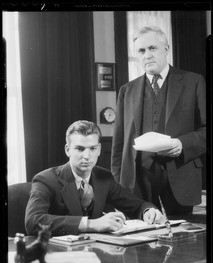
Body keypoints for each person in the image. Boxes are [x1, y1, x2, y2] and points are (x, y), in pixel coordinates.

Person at [111, 26, 206, 216]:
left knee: (181, 241)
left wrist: (182, 144)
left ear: (167, 49)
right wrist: (118, 182)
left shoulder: (193, 81)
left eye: (152, 48)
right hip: (137, 182)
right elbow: (119, 142)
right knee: (140, 241)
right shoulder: (126, 90)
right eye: (141, 50)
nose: (147, 55)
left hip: (180, 177)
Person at [25, 120, 164, 236]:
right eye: (80, 149)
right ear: (67, 150)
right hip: (60, 257)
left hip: (97, 252)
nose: (87, 156)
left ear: (99, 150)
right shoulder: (45, 179)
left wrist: (148, 211)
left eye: (92, 149)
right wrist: (91, 224)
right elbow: (33, 220)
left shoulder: (104, 177)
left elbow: (137, 205)